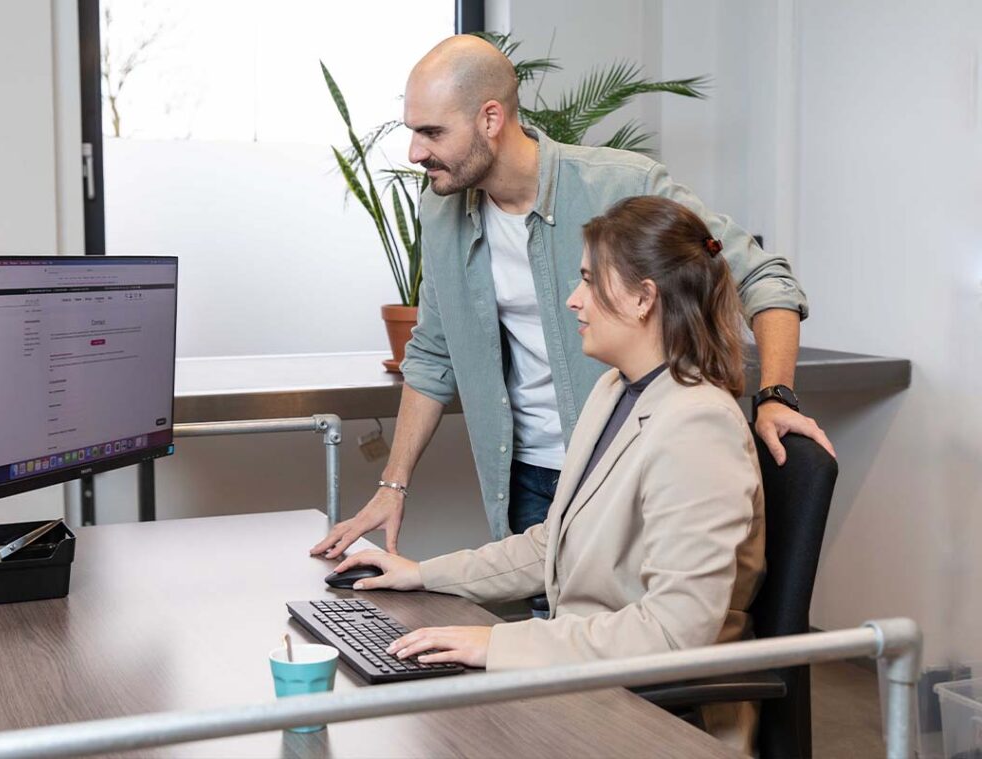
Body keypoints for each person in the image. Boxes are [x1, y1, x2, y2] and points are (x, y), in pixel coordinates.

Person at [311, 34, 832, 559]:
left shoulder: (619, 185)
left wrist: (775, 396)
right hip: (521, 479)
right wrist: (392, 486)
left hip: (631, 475)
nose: (415, 152)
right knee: (529, 606)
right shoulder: (441, 211)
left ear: (490, 119)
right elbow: (432, 354)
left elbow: (763, 277)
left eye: (432, 132)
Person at [331, 195, 766, 749]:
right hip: (591, 680)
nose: (572, 299)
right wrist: (422, 573)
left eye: (589, 281)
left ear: (643, 298)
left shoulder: (699, 425)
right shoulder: (615, 391)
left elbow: (674, 630)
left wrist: (500, 646)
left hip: (656, 713)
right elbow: (552, 544)